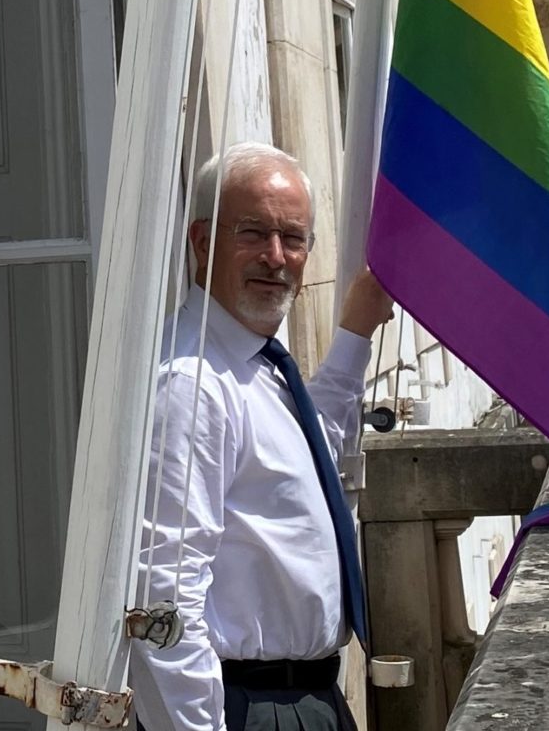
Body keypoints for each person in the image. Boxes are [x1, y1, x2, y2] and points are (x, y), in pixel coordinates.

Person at [133, 143, 394, 731]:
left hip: (310, 701)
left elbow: (311, 461)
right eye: (253, 233)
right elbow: (163, 595)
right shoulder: (192, 385)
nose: (276, 257)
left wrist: (355, 331)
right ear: (202, 243)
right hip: (248, 708)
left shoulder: (258, 366)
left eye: (293, 238)